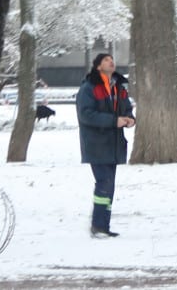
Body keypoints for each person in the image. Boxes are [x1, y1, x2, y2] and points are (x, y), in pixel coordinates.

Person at [76, 52, 135, 239]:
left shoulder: (118, 87)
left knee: (109, 185)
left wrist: (130, 119)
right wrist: (113, 121)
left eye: (112, 60)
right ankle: (98, 225)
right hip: (96, 143)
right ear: (98, 66)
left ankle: (103, 225)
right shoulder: (89, 87)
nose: (111, 62)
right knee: (104, 183)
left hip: (114, 144)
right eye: (106, 60)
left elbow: (126, 107)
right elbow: (85, 114)